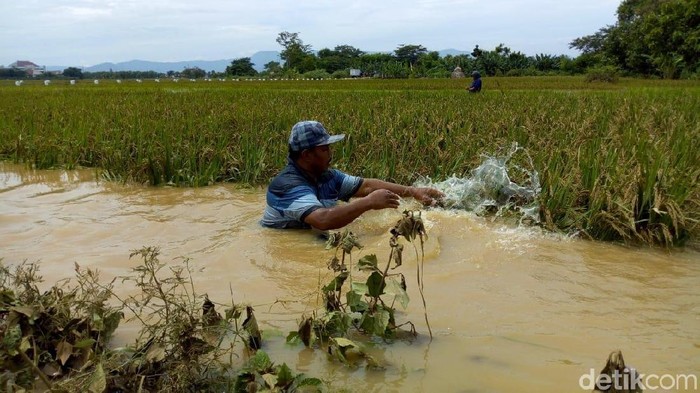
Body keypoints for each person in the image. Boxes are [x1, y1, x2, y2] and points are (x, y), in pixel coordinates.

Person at [261, 121, 444, 230]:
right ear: (307, 155)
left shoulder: (327, 176)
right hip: (287, 242)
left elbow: (367, 186)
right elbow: (322, 220)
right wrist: (368, 203)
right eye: (325, 149)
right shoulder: (288, 185)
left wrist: (413, 191)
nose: (330, 154)